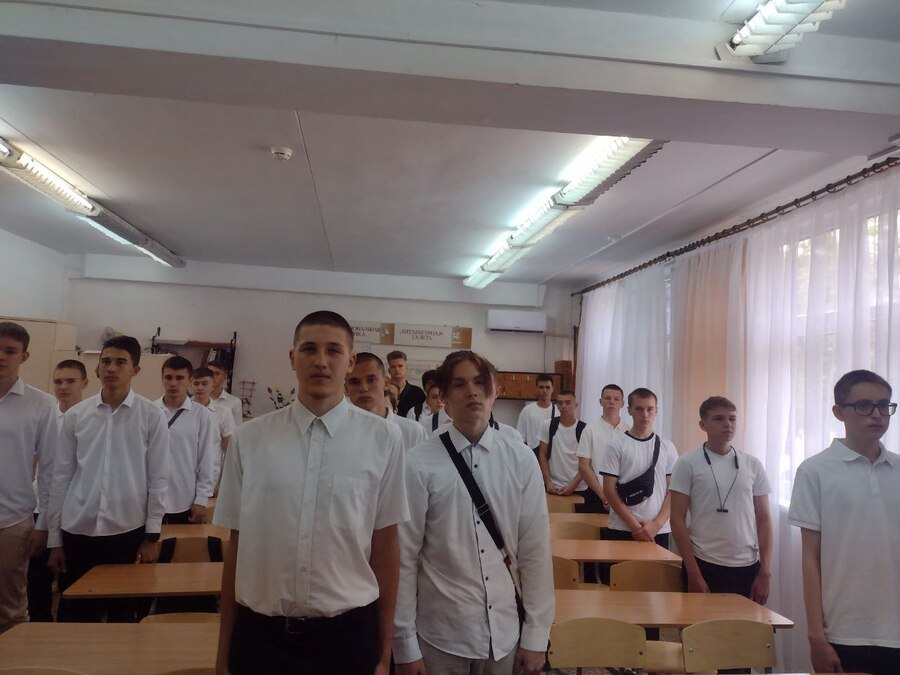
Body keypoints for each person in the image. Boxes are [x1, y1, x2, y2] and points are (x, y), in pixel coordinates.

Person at [213, 311, 408, 675]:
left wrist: (384, 654)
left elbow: (386, 547)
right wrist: (223, 653)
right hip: (262, 638)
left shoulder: (383, 439)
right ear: (292, 357)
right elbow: (237, 546)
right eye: (309, 349)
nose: (321, 360)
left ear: (350, 361)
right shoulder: (249, 439)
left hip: (348, 638)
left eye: (333, 350)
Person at [394, 350, 554, 675]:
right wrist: (404, 644)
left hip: (505, 634)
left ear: (494, 390)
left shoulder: (521, 460)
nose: (472, 392)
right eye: (459, 385)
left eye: (480, 383)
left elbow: (535, 552)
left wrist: (536, 636)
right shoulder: (418, 463)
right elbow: (404, 559)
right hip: (440, 635)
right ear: (442, 398)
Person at [47, 335, 169, 622]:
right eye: (106, 361)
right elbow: (61, 477)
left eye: (120, 362)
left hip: (126, 530)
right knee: (75, 613)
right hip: (78, 528)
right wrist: (55, 539)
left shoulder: (151, 415)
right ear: (97, 368)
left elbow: (158, 478)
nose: (111, 368)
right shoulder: (77, 416)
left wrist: (152, 536)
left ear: (135, 369)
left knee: (121, 614)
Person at [789, 370, 900, 675]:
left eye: (884, 405)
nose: (877, 414)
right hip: (844, 631)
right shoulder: (815, 471)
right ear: (839, 412)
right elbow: (810, 559)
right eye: (864, 405)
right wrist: (815, 634)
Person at [669, 396, 772, 603]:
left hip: (747, 565)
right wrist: (693, 572)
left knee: (745, 624)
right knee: (702, 623)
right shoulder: (687, 463)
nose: (727, 424)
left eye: (732, 419)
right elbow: (677, 519)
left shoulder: (752, 464)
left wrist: (765, 571)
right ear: (703, 425)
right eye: (718, 419)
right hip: (704, 563)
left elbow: (764, 518)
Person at [0, 322, 58, 634]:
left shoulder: (41, 404)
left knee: (11, 608)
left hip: (12, 521)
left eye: (10, 351)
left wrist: (44, 523)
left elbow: (50, 469)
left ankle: (13, 658)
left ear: (24, 356)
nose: (1, 357)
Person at [25, 359, 90, 623]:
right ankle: (40, 626)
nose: (63, 387)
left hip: (73, 508)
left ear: (84, 383)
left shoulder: (91, 417)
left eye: (70, 381)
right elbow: (35, 463)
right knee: (36, 578)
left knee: (69, 578)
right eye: (58, 382)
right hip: (42, 505)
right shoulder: (47, 415)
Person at [599, 387, 677, 548]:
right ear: (629, 410)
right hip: (622, 527)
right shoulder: (616, 445)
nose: (645, 414)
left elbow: (674, 491)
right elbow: (609, 489)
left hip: (658, 530)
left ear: (656, 411)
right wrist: (635, 526)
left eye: (650, 409)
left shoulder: (667, 447)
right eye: (639, 409)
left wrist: (656, 524)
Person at [155, 356, 217, 525]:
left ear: (189, 381)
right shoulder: (149, 411)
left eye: (180, 378)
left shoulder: (202, 415)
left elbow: (206, 458)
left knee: (181, 541)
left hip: (184, 499)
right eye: (168, 378)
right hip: (149, 498)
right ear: (162, 379)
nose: (173, 383)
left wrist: (202, 498)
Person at [346, 352, 427, 451]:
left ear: (385, 383)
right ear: (346, 388)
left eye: (371, 380)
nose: (364, 388)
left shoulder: (413, 431)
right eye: (354, 382)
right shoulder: (339, 430)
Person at [576, 384, 629, 513]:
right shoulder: (590, 430)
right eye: (607, 398)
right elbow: (584, 466)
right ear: (600, 401)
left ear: (622, 403)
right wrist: (604, 496)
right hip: (597, 495)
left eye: (616, 399)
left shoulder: (629, 432)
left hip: (624, 496)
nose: (612, 402)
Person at [537, 389, 588, 497]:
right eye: (560, 403)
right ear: (557, 405)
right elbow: (542, 454)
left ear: (576, 405)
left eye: (568, 402)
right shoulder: (548, 425)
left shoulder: (585, 429)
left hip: (579, 488)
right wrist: (548, 482)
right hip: (554, 487)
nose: (564, 406)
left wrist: (572, 486)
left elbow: (587, 462)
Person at [192, 366, 236, 466]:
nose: (200, 388)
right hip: (185, 468)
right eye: (196, 383)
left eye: (204, 384)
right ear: (190, 384)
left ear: (212, 386)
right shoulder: (182, 409)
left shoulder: (223, 412)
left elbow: (228, 446)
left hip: (212, 468)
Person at [515, 373, 557, 453]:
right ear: (536, 389)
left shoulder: (558, 411)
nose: (544, 390)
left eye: (547, 387)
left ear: (552, 389)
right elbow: (520, 437)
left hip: (553, 455)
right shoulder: (527, 411)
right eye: (541, 387)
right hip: (532, 454)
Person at [388, 351, 426, 419]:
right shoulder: (383, 391)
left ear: (406, 368)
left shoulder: (418, 393)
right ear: (389, 370)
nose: (397, 369)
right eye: (393, 366)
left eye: (400, 366)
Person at [208, 360, 243, 427]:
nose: (212, 376)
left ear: (225, 377)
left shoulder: (235, 402)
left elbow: (237, 428)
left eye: (217, 373)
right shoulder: (194, 400)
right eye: (210, 373)